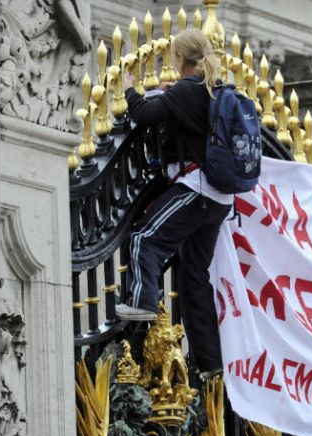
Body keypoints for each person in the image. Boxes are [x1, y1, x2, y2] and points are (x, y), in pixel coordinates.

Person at [114, 29, 231, 377]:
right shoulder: (216, 89)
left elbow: (145, 114)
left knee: (144, 238)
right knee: (195, 277)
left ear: (179, 59)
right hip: (221, 199)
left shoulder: (187, 89)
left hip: (196, 189)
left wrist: (128, 88)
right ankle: (211, 363)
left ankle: (140, 304)